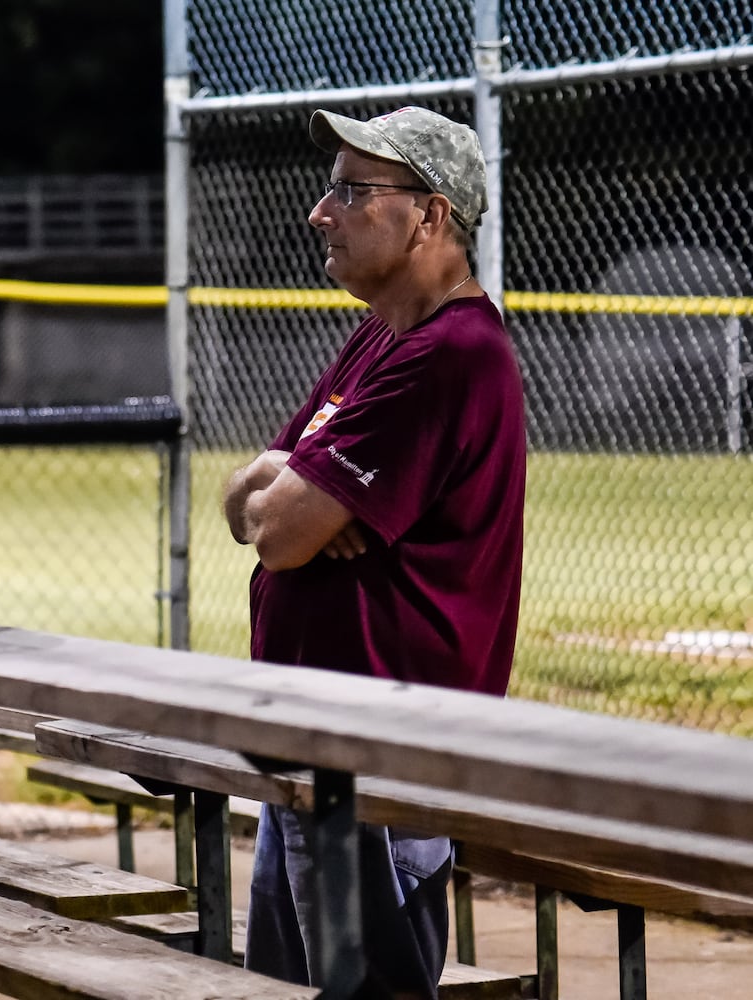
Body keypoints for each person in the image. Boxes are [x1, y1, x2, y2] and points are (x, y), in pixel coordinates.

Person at [222, 106, 526, 997]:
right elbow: (251, 503)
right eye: (332, 188)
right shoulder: (381, 338)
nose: (322, 211)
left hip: (382, 761)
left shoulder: (447, 354)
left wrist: (283, 500)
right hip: (319, 741)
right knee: (288, 986)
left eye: (354, 191)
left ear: (432, 216)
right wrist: (285, 475)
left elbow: (273, 534)